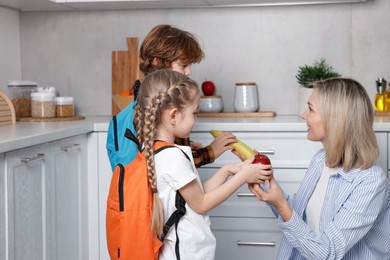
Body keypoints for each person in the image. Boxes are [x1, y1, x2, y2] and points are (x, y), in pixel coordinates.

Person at [135, 69, 273, 259]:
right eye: (195, 113)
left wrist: (226, 171)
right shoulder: (172, 157)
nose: (196, 119)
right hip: (185, 254)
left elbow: (193, 196)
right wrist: (242, 177)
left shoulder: (160, 150)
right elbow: (201, 204)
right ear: (173, 115)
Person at [249, 78, 390, 259]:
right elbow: (299, 216)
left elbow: (327, 252)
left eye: (310, 109)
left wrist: (281, 204)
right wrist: (267, 182)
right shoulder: (320, 160)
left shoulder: (370, 182)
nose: (303, 115)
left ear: (335, 118)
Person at [106, 24, 236, 170]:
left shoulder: (146, 101)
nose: (188, 72)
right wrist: (210, 151)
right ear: (158, 63)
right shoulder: (161, 105)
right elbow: (167, 163)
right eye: (183, 65)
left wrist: (184, 145)